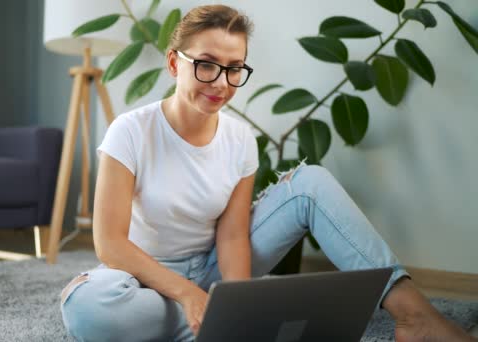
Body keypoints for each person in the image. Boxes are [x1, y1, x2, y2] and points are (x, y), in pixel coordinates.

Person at [60, 5, 474, 342]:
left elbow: (233, 234)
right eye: (206, 64)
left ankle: (414, 316)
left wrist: (236, 305)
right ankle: (219, 319)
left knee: (309, 183)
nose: (220, 82)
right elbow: (110, 244)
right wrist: (188, 296)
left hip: (211, 269)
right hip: (142, 276)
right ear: (174, 63)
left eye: (234, 67)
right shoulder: (130, 131)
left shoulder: (241, 140)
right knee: (93, 310)